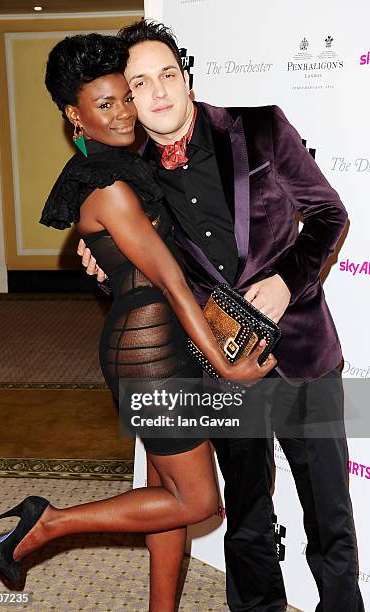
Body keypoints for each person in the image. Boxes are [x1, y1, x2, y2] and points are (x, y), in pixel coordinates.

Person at [0, 33, 276, 611]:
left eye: (125, 98)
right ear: (75, 114)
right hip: (150, 353)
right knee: (199, 503)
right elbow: (167, 278)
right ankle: (45, 525)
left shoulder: (119, 166)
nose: (122, 114)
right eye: (104, 103)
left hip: (155, 342)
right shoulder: (111, 185)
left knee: (167, 491)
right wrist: (228, 365)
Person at [78, 20, 364, 612]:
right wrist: (102, 256)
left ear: (184, 75)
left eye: (166, 75)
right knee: (248, 515)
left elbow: (330, 216)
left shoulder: (259, 126)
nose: (158, 93)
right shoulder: (135, 184)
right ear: (128, 99)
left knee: (328, 510)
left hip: (302, 353)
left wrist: (287, 283)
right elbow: (151, 277)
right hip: (221, 366)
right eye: (139, 84)